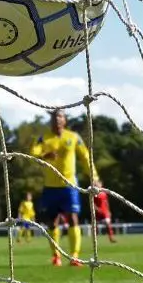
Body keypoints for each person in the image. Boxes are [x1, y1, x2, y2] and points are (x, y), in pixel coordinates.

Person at [30, 108, 97, 267]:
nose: (57, 119)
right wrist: (43, 156)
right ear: (51, 120)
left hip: (69, 186)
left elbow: (86, 157)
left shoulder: (73, 137)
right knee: (52, 222)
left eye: (60, 116)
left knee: (73, 218)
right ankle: (56, 256)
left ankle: (74, 256)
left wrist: (94, 177)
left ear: (65, 120)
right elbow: (33, 153)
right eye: (54, 117)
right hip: (50, 187)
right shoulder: (43, 138)